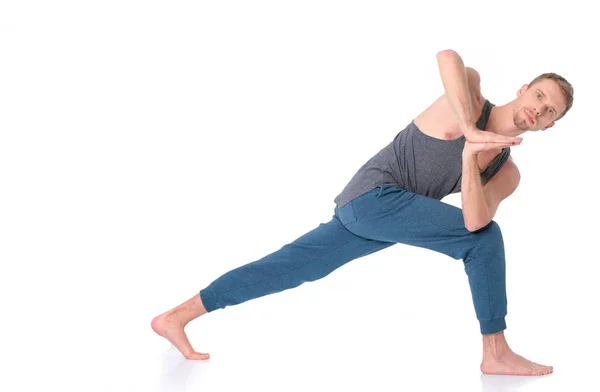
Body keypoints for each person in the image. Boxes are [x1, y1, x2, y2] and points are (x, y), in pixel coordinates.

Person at [151, 49, 574, 376]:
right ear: (523, 89)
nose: (539, 108)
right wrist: (469, 130)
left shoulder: (507, 171)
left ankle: (176, 317)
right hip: (374, 196)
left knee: (289, 267)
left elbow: (472, 222)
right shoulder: (471, 97)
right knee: (487, 242)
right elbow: (449, 57)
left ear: (548, 126)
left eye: (549, 110)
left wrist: (469, 157)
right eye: (539, 95)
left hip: (381, 217)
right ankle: (495, 352)